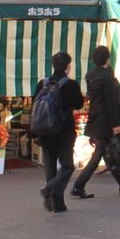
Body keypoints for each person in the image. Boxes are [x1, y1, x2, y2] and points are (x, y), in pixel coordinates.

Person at [71, 46, 120, 199]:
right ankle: (79, 185)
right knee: (99, 154)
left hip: (96, 118)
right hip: (106, 121)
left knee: (108, 152)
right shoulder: (107, 76)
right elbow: (110, 102)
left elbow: (96, 101)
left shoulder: (90, 75)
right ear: (107, 58)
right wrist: (115, 124)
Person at [33, 52, 85, 213]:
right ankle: (50, 189)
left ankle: (57, 204)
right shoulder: (70, 85)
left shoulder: (43, 83)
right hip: (63, 132)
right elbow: (78, 104)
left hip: (45, 132)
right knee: (68, 166)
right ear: (68, 67)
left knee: (50, 168)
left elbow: (35, 105)